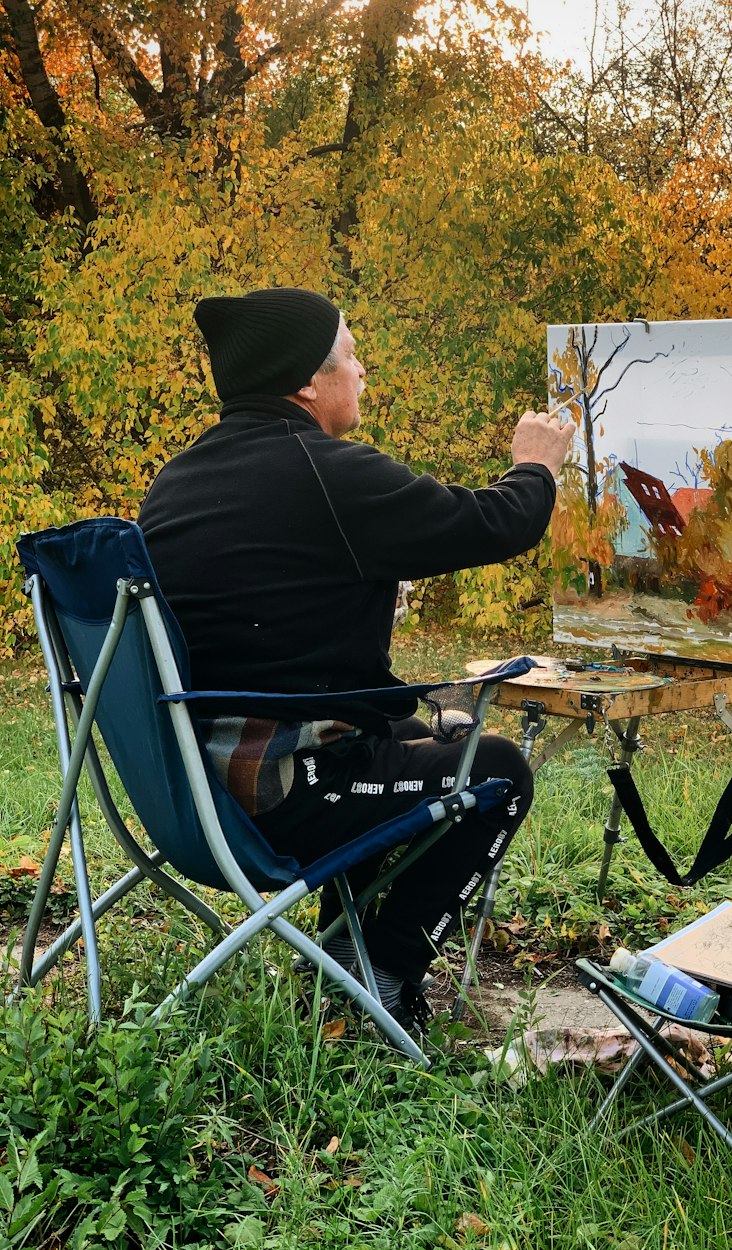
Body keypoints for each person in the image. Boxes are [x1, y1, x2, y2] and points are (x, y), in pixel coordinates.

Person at [139, 286, 573, 1030]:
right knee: (497, 772)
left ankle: (350, 950)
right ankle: (384, 970)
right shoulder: (324, 473)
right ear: (308, 381)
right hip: (282, 796)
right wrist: (535, 465)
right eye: (349, 351)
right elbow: (493, 523)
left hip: (194, 788)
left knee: (430, 740)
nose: (362, 367)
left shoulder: (176, 481)